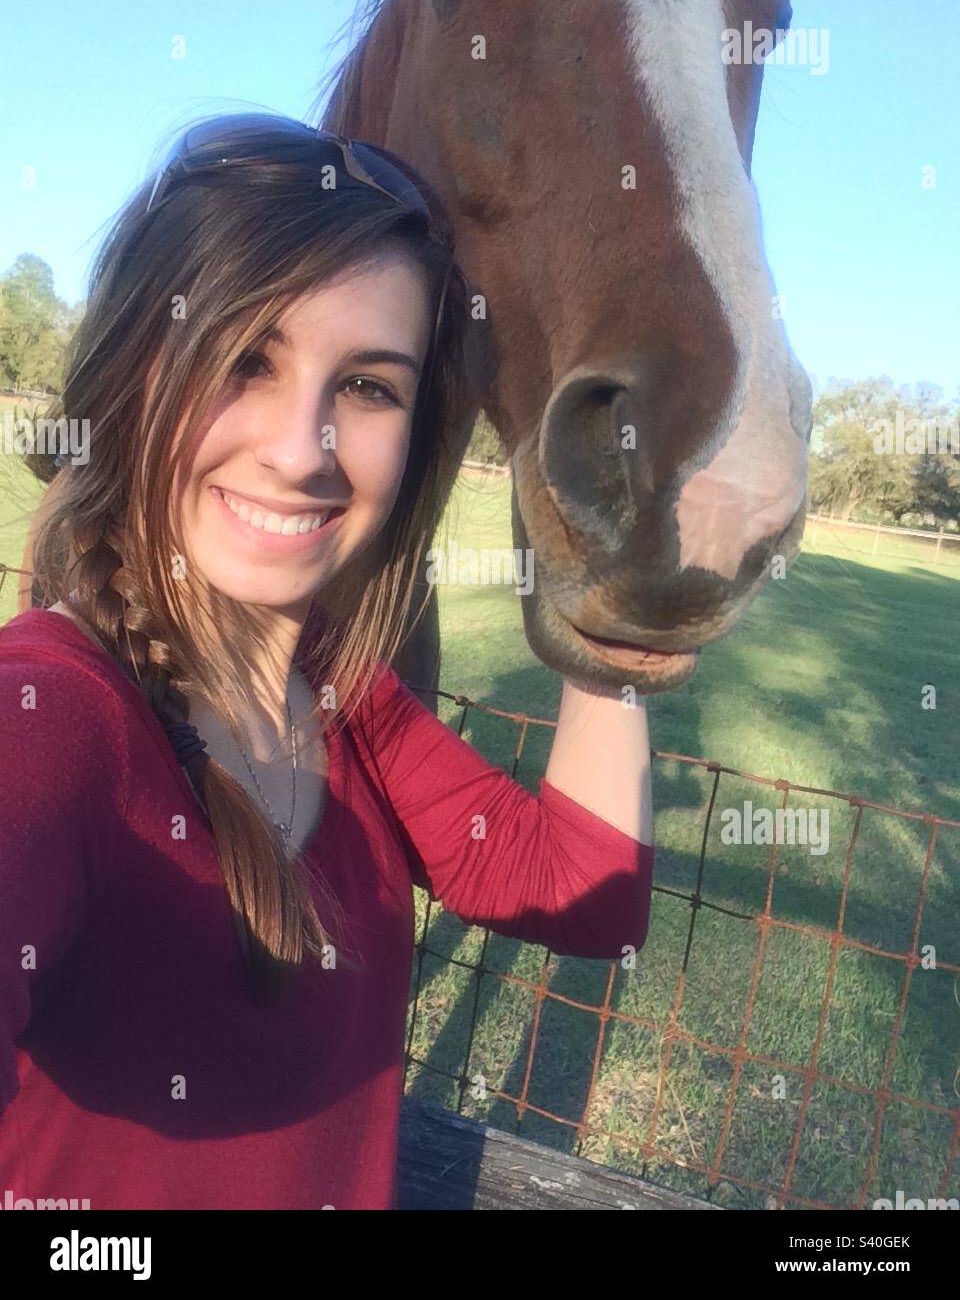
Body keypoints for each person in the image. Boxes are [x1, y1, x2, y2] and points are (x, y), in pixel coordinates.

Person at [0, 113, 654, 1210]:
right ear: (127, 372)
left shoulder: (350, 698)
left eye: (368, 386)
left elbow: (577, 887)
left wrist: (602, 566)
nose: (303, 450)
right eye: (242, 358)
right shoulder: (51, 713)